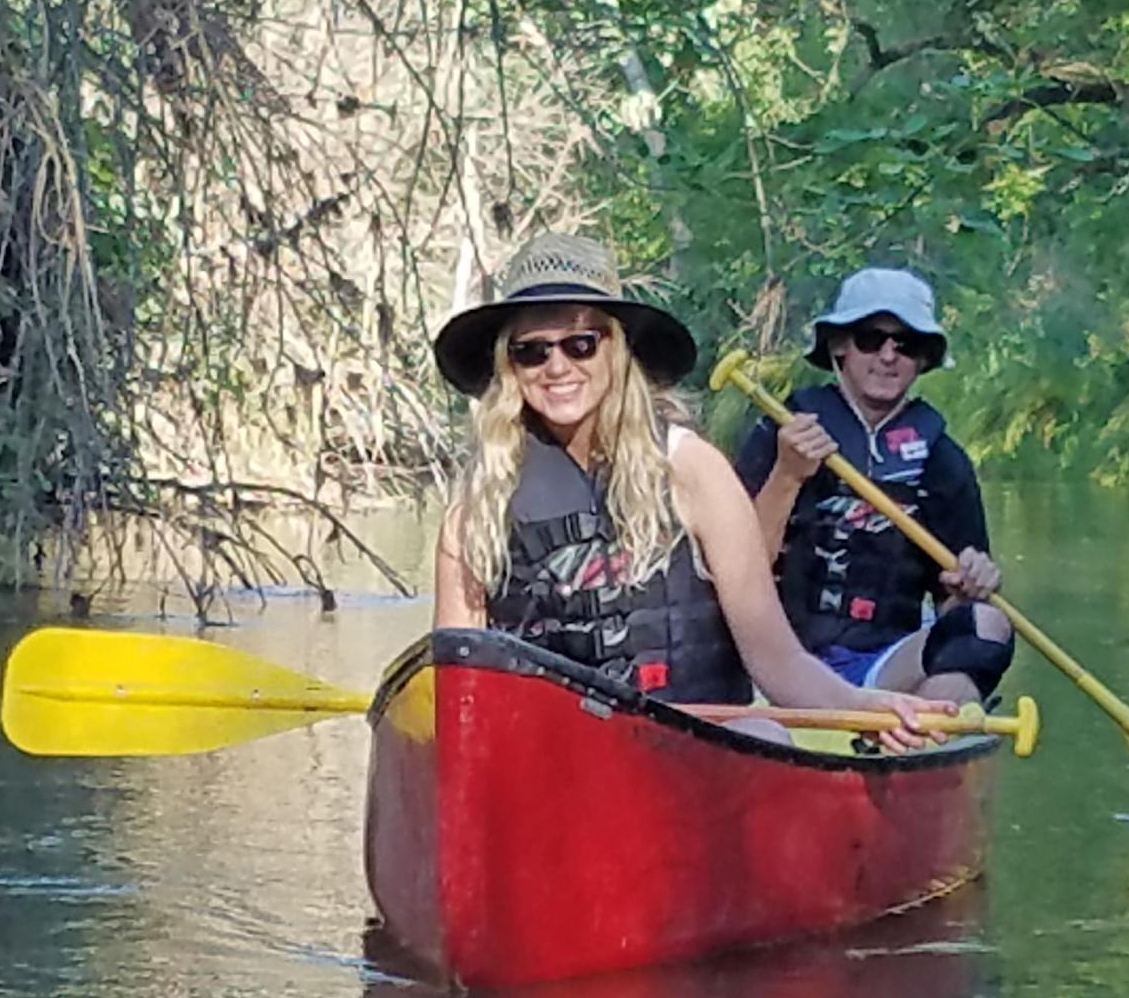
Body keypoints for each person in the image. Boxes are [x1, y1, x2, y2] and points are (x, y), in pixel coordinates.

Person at [430, 232, 947, 750]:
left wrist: (863, 707)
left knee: (761, 730)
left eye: (580, 343)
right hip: (552, 762)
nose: (557, 367)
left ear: (617, 348)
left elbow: (776, 661)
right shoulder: (478, 503)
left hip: (692, 755)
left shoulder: (693, 469)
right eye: (532, 352)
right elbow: (457, 688)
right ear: (510, 366)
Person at [734, 266, 1015, 705]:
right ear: (839, 346)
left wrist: (968, 589)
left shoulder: (944, 461)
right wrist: (786, 477)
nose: (888, 356)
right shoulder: (781, 432)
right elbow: (730, 569)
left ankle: (910, 740)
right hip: (776, 665)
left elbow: (949, 607)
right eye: (870, 338)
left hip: (884, 672)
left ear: (924, 358)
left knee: (986, 625)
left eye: (907, 344)